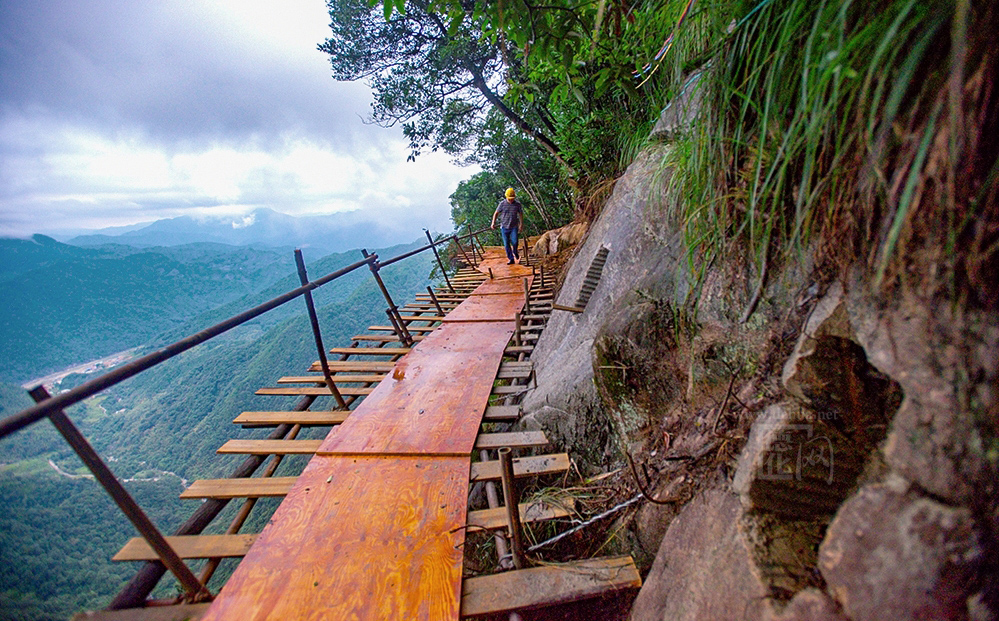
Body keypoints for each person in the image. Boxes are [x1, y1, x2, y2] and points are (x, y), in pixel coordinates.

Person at [491, 187, 523, 265]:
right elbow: (496, 213)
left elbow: (521, 214)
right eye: (509, 198)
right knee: (506, 244)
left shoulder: (517, 205)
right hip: (504, 227)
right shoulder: (502, 204)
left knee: (515, 242)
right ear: (506, 197)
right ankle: (511, 259)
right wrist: (493, 223)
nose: (511, 200)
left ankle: (515, 252)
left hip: (514, 226)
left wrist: (521, 224)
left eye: (512, 198)